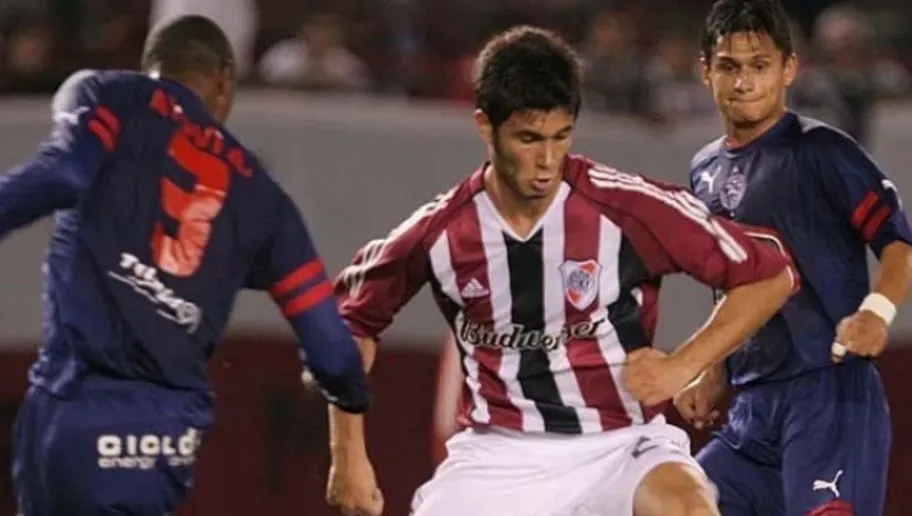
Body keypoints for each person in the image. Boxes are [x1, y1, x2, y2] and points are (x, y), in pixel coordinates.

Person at [325, 25, 797, 516]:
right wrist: (348, 455)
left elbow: (769, 276)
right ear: (485, 126)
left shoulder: (626, 207)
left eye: (561, 136)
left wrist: (685, 363)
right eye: (529, 139)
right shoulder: (440, 231)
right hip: (498, 454)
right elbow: (352, 322)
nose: (548, 161)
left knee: (688, 508)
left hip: (622, 445)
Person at [2, 15, 371, 516]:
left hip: (70, 408)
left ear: (150, 65)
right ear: (224, 79)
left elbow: (64, 172)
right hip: (166, 434)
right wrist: (343, 392)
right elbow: (333, 353)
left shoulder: (110, 95)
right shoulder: (265, 201)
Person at [677, 1, 912, 514]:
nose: (744, 82)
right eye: (729, 66)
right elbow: (733, 284)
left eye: (759, 65)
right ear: (705, 71)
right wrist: (714, 366)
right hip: (750, 413)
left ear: (789, 68)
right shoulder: (703, 171)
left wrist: (877, 312)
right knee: (671, 503)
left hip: (828, 395)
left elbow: (899, 245)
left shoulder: (825, 151)